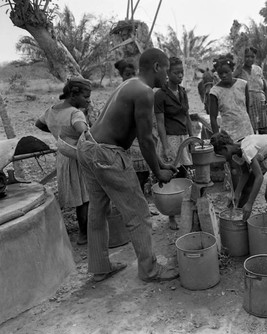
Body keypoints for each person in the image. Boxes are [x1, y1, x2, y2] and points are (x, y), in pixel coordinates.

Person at [76, 48, 179, 283]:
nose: (167, 76)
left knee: (98, 209)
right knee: (139, 213)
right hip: (107, 154)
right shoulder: (145, 93)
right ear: (156, 67)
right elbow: (145, 140)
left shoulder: (130, 84)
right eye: (166, 70)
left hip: (88, 146)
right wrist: (158, 171)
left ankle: (100, 267)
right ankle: (150, 270)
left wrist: (160, 162)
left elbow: (145, 140)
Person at [35, 77, 91, 246]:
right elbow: (85, 133)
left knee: (78, 197)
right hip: (77, 156)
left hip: (63, 156)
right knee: (85, 198)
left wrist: (57, 132)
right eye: (86, 97)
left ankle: (83, 233)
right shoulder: (76, 113)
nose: (88, 101)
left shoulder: (51, 110)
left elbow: (39, 124)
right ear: (74, 95)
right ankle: (85, 234)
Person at [211, 131, 267, 221]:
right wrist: (236, 194)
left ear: (226, 148)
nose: (223, 158)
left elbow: (259, 177)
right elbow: (245, 173)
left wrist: (250, 204)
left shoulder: (246, 149)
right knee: (247, 188)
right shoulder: (237, 152)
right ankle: (240, 218)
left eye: (221, 154)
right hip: (263, 155)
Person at [154, 56, 193, 230]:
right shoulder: (160, 95)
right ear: (168, 73)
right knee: (171, 175)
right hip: (169, 139)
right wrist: (166, 145)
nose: (180, 76)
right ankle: (171, 216)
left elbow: (187, 117)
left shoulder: (183, 91)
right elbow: (160, 122)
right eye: (176, 73)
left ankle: (183, 211)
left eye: (182, 73)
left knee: (185, 175)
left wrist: (192, 139)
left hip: (183, 138)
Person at [114, 59, 151, 194]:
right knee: (132, 178)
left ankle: (140, 205)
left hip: (139, 141)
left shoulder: (139, 91)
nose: (130, 78)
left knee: (143, 175)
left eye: (133, 74)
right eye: (127, 74)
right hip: (127, 142)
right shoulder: (119, 93)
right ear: (121, 76)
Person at [209, 54, 254, 141]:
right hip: (228, 135)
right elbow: (213, 118)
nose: (224, 75)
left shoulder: (243, 85)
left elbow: (247, 109)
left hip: (246, 130)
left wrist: (252, 127)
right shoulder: (214, 92)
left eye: (226, 72)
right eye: (220, 73)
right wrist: (217, 138)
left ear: (232, 70)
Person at [234, 47, 267, 134]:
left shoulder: (258, 69)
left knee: (264, 131)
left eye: (252, 57)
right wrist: (236, 72)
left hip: (261, 105)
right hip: (246, 105)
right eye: (247, 56)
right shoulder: (239, 70)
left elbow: (265, 88)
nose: (249, 59)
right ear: (243, 57)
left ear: (255, 57)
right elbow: (231, 83)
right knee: (250, 132)